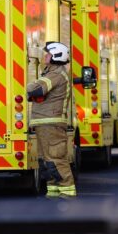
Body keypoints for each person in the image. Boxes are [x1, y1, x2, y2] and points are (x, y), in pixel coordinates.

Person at [27, 41, 76, 198]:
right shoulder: (51, 73)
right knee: (46, 161)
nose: (44, 56)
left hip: (51, 123)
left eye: (47, 54)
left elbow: (36, 89)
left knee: (56, 159)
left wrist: (24, 85)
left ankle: (67, 192)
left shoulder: (56, 75)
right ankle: (54, 192)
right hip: (45, 123)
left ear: (56, 56)